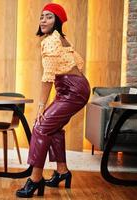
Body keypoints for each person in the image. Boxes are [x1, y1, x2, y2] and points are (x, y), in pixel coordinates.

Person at [16, 3, 90, 198]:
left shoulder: (50, 41)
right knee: (53, 128)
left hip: (72, 91)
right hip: (72, 88)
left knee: (41, 127)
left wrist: (41, 106)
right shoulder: (60, 39)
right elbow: (78, 63)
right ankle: (62, 171)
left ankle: (35, 179)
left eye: (49, 17)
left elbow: (48, 76)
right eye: (42, 16)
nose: (43, 20)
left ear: (57, 21)